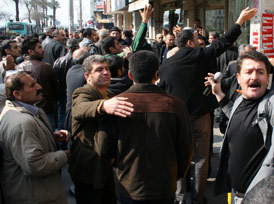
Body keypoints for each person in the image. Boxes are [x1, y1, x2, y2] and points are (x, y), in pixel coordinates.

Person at [158, 7, 257, 204]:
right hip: (200, 117)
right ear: (189, 43)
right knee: (201, 159)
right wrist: (239, 20)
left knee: (180, 157)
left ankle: (179, 199)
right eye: (196, 40)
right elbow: (223, 42)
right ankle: (198, 197)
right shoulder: (197, 55)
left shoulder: (165, 66)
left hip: (177, 119)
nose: (199, 42)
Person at [94, 50, 193, 204]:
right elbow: (186, 147)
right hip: (165, 184)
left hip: (129, 184)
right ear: (156, 75)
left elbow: (103, 148)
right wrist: (179, 173)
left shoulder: (115, 104)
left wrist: (120, 164)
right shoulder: (175, 105)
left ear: (130, 75)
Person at [205, 51, 274, 204]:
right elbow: (238, 118)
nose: (254, 77)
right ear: (238, 78)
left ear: (268, 78)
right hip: (235, 194)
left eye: (260, 72)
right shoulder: (239, 101)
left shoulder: (271, 104)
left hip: (259, 199)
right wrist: (219, 95)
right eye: (248, 72)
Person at [69, 55, 134, 204]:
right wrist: (102, 106)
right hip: (88, 169)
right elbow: (79, 109)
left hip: (105, 167)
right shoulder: (83, 92)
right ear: (87, 76)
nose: (106, 72)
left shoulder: (109, 94)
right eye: (99, 70)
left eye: (107, 68)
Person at [0, 71, 70, 204]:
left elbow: (24, 145)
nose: (39, 87)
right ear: (17, 94)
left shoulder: (22, 113)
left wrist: (49, 136)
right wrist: (64, 156)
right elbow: (35, 165)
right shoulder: (22, 122)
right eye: (32, 86)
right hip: (36, 196)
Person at [16, 37, 59, 129]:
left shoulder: (18, 68)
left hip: (28, 110)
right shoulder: (45, 67)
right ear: (30, 51)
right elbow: (56, 91)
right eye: (39, 47)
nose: (43, 50)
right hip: (45, 111)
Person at [53, 38, 80, 129]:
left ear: (67, 48)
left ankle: (62, 134)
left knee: (62, 115)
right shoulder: (79, 61)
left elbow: (55, 79)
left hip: (62, 92)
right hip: (72, 92)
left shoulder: (59, 61)